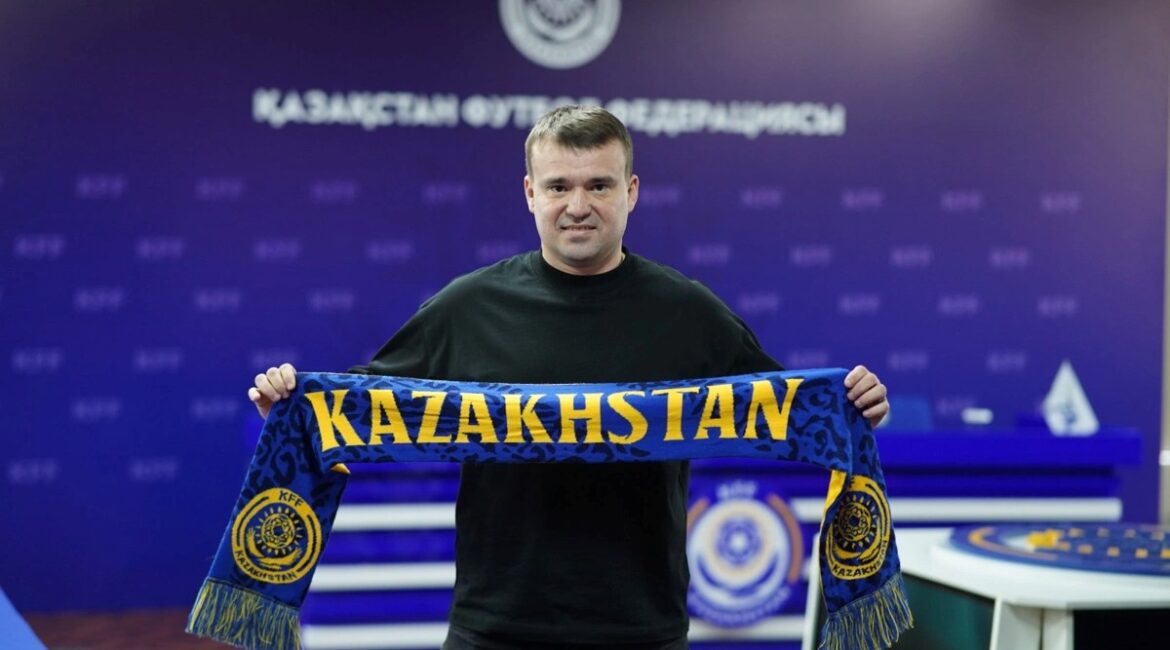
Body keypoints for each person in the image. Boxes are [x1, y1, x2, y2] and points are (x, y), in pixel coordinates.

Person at [248, 106, 890, 649]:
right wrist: (290, 405)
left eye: (599, 186)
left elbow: (791, 410)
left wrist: (855, 405)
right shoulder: (467, 307)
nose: (578, 206)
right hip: (494, 627)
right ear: (530, 194)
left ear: (631, 192)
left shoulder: (689, 312)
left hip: (643, 627)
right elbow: (356, 405)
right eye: (558, 186)